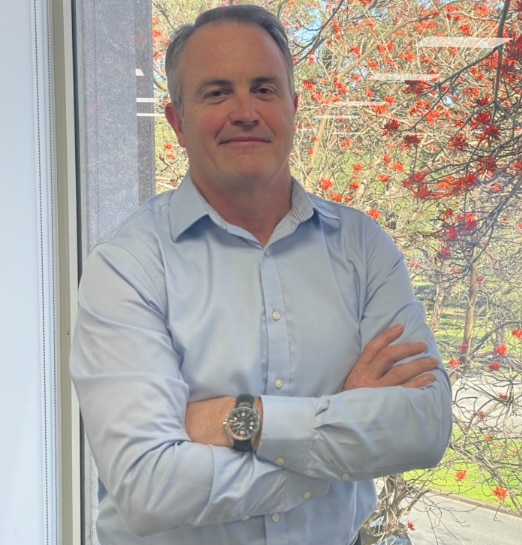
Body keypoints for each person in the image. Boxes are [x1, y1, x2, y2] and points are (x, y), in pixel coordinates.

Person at [70, 5, 452, 545]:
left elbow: (424, 426)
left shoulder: (365, 249)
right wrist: (340, 431)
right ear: (176, 121)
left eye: (265, 89)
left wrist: (234, 418)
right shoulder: (127, 265)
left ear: (293, 109)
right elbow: (147, 485)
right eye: (217, 92)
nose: (245, 111)